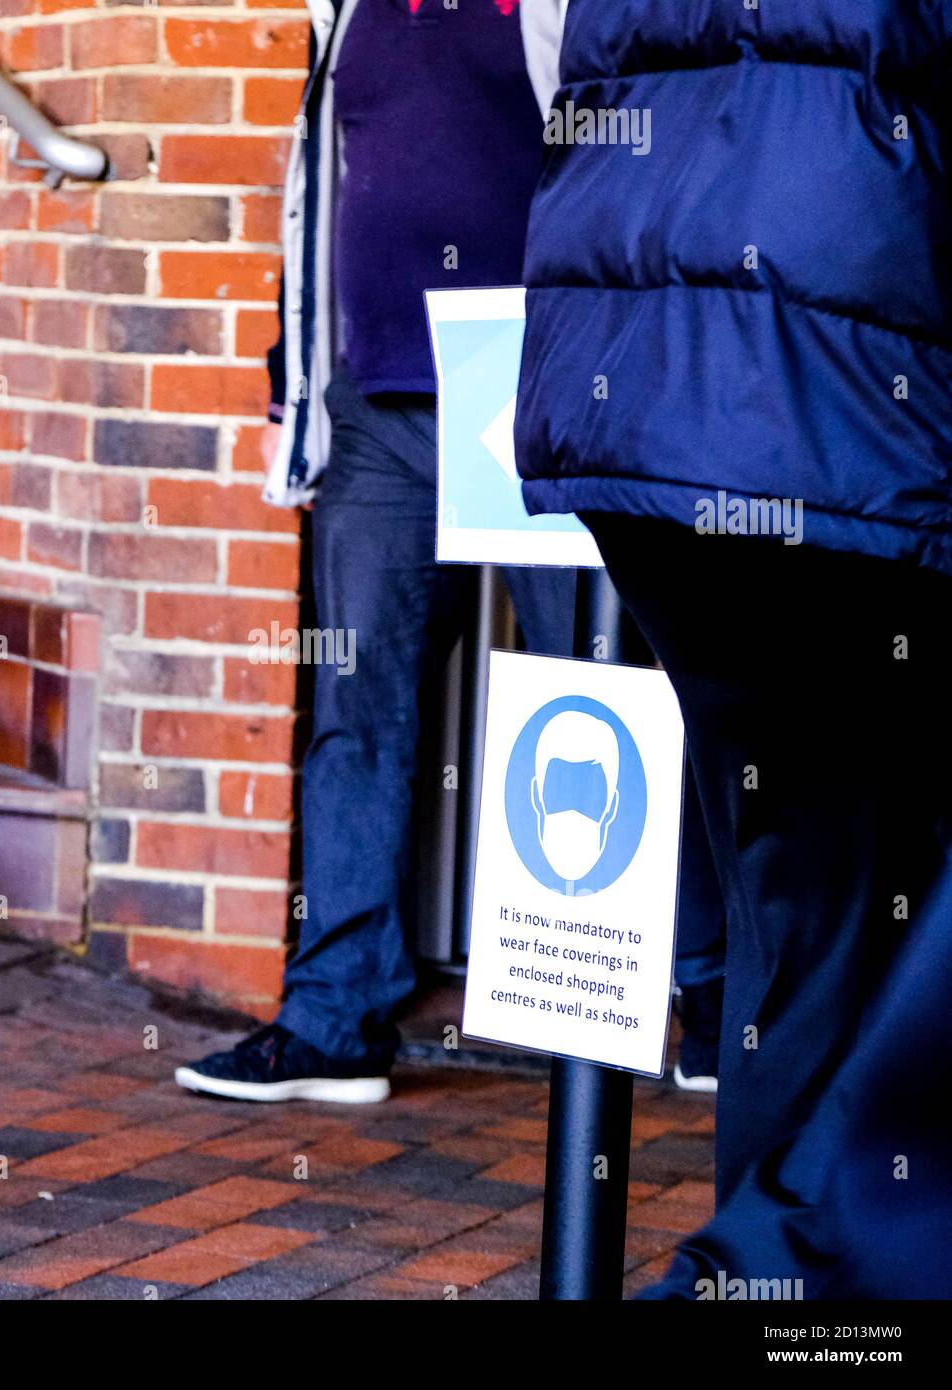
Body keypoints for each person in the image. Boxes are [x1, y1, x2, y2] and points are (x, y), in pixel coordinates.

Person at [175, 0, 723, 1105]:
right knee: (356, 710)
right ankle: (334, 1020)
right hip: (376, 408)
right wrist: (293, 384)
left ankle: (709, 1002)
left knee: (610, 691)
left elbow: (635, 171)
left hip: (535, 388)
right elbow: (315, 196)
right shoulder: (347, 9)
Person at [515, 0, 952, 1296]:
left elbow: (546, 52)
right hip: (846, 414)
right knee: (866, 909)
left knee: (803, 914)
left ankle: (776, 1289)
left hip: (641, 404)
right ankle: (787, 1278)